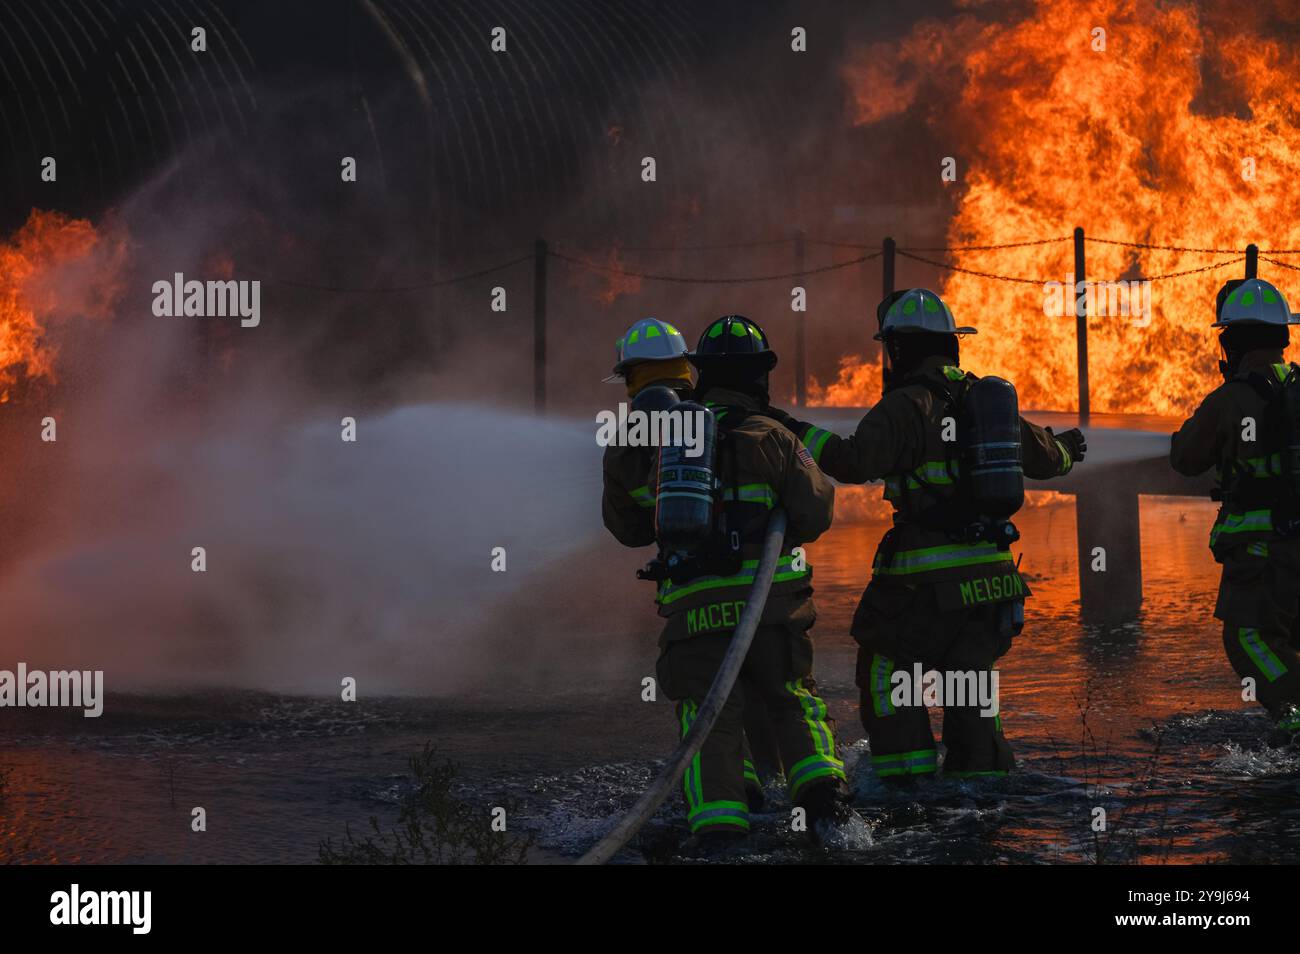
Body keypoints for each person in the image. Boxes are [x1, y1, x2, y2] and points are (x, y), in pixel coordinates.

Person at [768, 289, 1085, 780]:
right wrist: (1067, 446)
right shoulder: (987, 400)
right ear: (952, 344)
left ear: (897, 349)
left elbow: (852, 462)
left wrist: (793, 430)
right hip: (994, 586)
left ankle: (907, 788)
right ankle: (982, 788)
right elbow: (1047, 459)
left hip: (924, 583)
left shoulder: (905, 405)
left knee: (885, 671)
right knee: (969, 682)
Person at [616, 314, 850, 847]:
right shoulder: (772, 435)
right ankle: (829, 810)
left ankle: (722, 832)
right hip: (771, 608)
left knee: (709, 717)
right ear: (760, 376)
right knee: (792, 697)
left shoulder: (662, 442)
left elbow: (625, 526)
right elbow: (816, 513)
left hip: (694, 614)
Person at [599, 316, 783, 813]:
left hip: (694, 603)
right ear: (687, 367)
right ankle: (786, 790)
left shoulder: (629, 440)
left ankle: (728, 812)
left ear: (631, 376)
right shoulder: (721, 418)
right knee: (773, 696)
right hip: (765, 599)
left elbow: (629, 530)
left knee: (711, 710)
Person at [1170, 277, 1300, 742]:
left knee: (1249, 639)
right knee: (1289, 638)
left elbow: (1185, 456)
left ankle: (1295, 714)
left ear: (1232, 340)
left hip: (1263, 554)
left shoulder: (1232, 398)